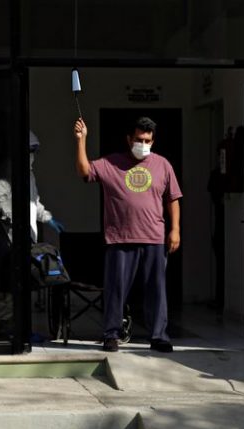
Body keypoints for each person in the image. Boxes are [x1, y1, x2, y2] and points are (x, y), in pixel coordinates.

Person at [74, 116, 182, 353]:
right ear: (128, 139)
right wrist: (81, 140)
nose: (143, 144)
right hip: (120, 237)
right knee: (116, 289)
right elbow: (84, 171)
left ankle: (159, 336)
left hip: (154, 237)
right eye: (139, 139)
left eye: (148, 140)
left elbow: (173, 198)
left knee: (156, 289)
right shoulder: (111, 163)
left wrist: (175, 229)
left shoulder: (162, 165)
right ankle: (111, 334)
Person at [0, 130, 65, 243]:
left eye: (34, 151)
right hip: (12, 239)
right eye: (30, 150)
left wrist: (48, 218)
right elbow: (1, 203)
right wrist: (15, 223)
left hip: (28, 237)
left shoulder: (29, 174)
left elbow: (33, 202)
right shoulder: (7, 173)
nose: (32, 155)